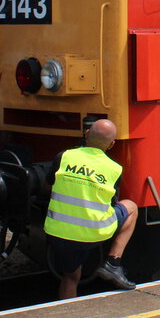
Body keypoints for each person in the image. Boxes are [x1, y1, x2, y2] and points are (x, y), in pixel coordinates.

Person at [44, 118, 139, 298]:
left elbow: (48, 186)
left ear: (87, 134)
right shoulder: (114, 168)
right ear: (111, 144)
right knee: (131, 207)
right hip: (94, 233)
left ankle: (67, 314)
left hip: (58, 231)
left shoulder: (64, 156)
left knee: (71, 277)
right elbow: (110, 204)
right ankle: (112, 263)